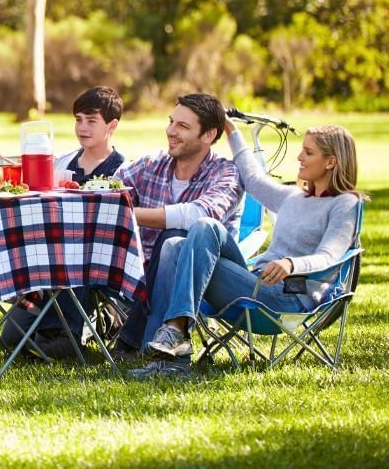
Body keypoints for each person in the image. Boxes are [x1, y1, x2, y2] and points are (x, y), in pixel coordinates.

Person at [131, 123, 364, 378]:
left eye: (308, 153)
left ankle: (174, 339)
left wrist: (291, 264)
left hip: (286, 296)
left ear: (331, 162)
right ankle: (170, 348)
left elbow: (330, 256)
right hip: (253, 284)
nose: (299, 157)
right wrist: (230, 130)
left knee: (192, 236)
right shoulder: (292, 197)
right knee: (178, 243)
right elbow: (252, 179)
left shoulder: (345, 204)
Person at [111, 93, 244, 359]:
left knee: (175, 237)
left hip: (202, 276)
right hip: (138, 274)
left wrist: (129, 214)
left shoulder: (225, 174)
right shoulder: (151, 165)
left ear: (208, 135)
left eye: (183, 126)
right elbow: (109, 190)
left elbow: (199, 214)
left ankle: (140, 338)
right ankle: (57, 331)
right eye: (171, 122)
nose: (171, 131)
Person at [0, 86, 127, 359]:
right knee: (11, 337)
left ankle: (63, 335)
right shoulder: (62, 162)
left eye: (91, 121)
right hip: (47, 259)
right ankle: (50, 315)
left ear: (111, 125)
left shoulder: (122, 170)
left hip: (94, 259)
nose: (82, 127)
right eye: (78, 119)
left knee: (74, 251)